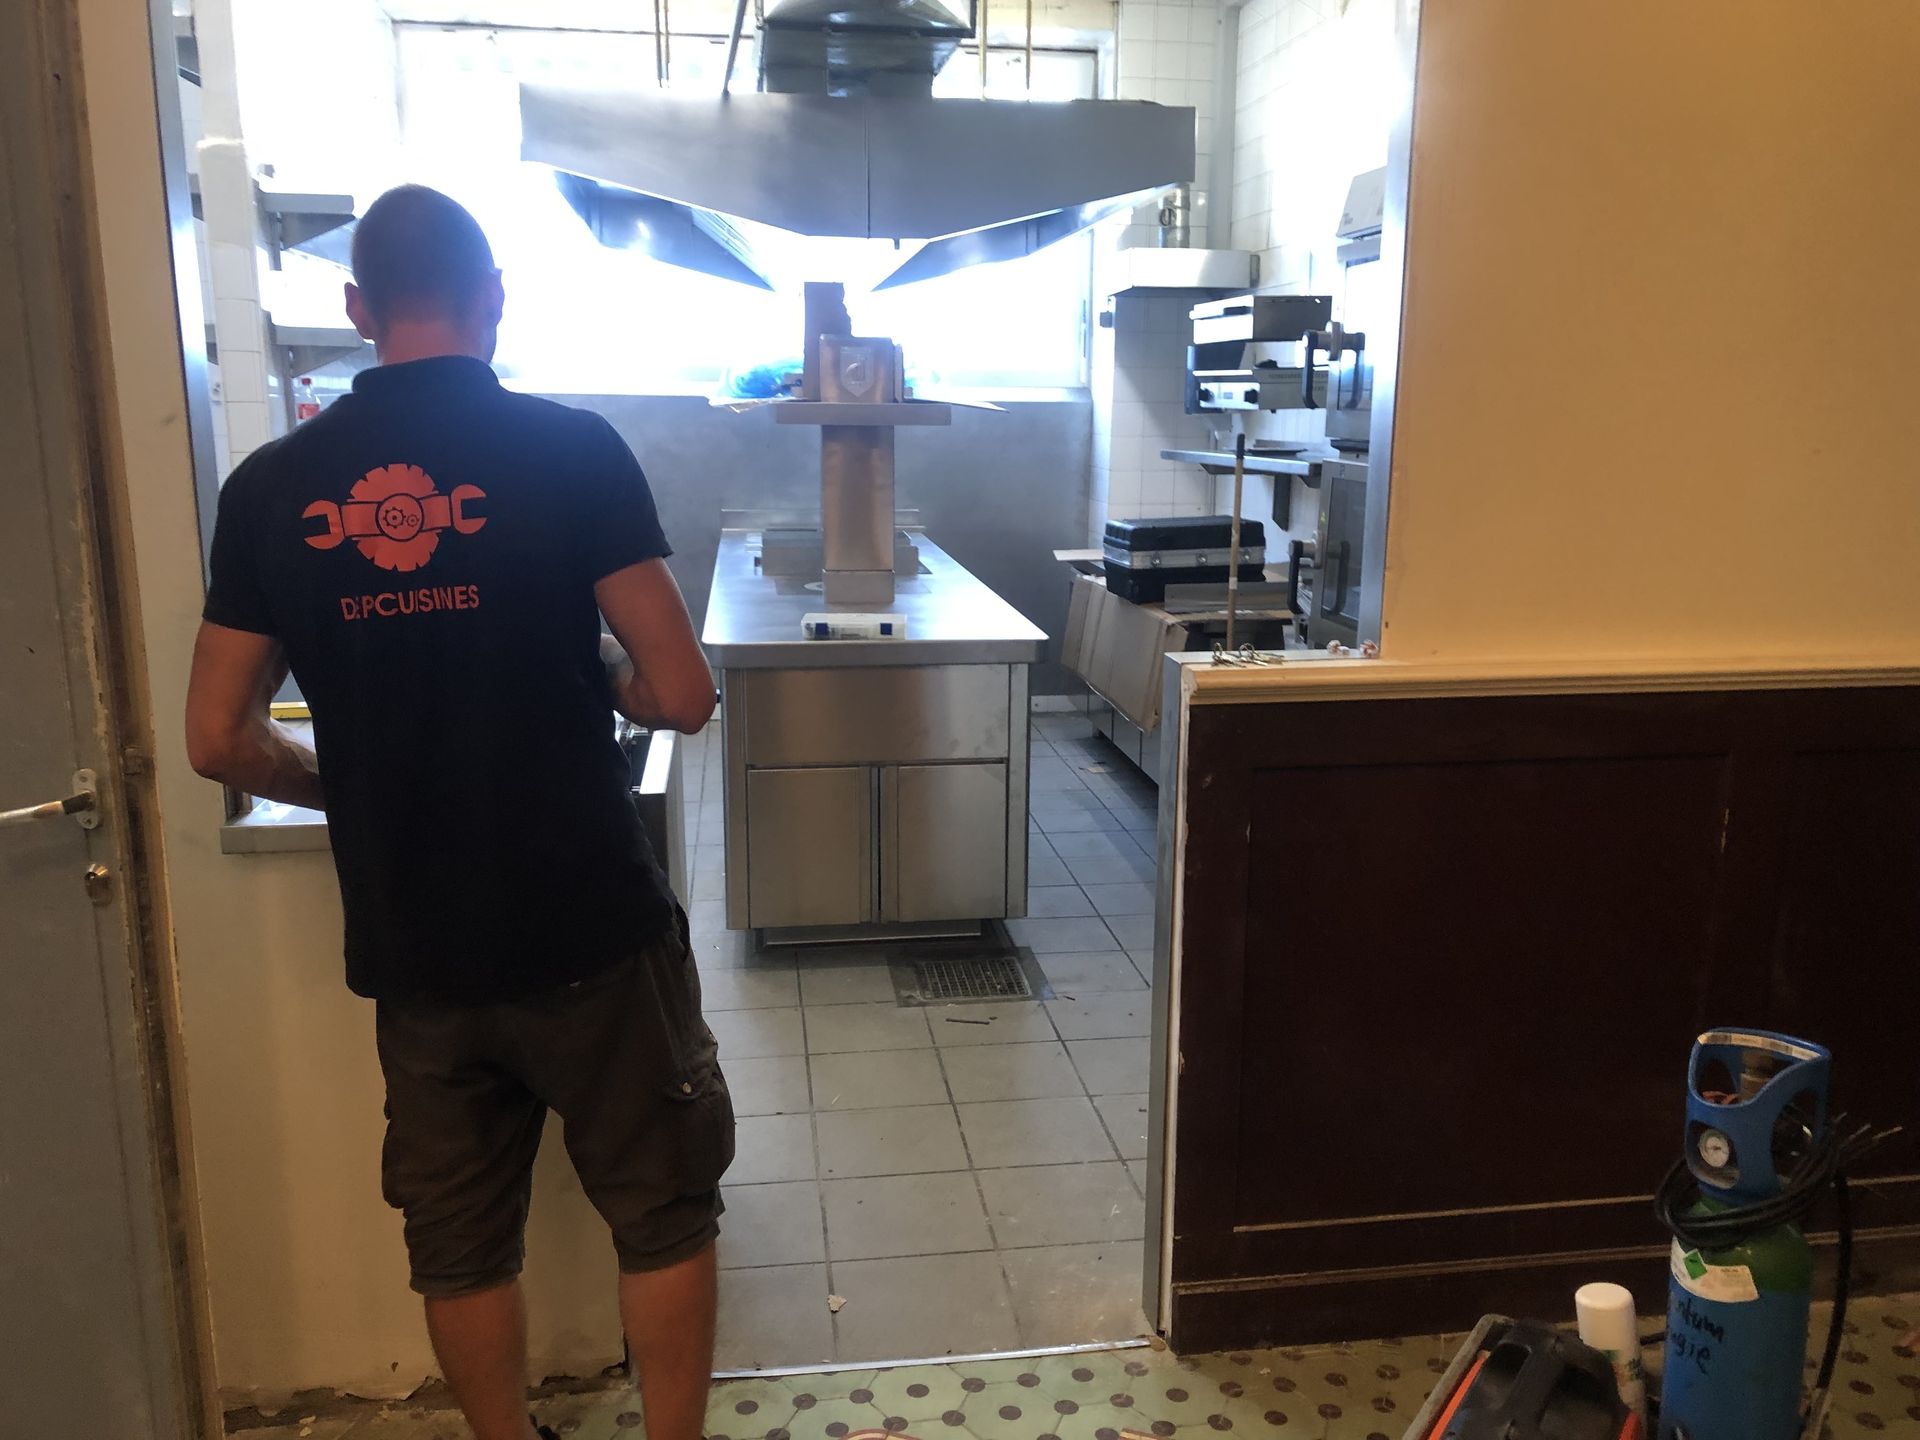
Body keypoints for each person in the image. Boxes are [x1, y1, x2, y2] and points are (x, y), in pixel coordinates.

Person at [185, 185, 730, 1440]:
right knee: (663, 1213)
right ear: (493, 301)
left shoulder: (271, 489)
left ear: (357, 309)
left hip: (415, 941)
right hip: (591, 923)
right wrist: (606, 673)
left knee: (460, 1240)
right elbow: (685, 694)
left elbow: (218, 737)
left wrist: (349, 787)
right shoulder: (571, 450)